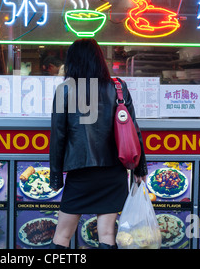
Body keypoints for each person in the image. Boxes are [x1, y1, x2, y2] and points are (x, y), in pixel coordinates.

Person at [49, 38, 147, 249]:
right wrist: (140, 167)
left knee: (63, 235)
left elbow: (58, 137)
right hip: (113, 171)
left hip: (80, 171)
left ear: (72, 61)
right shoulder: (118, 87)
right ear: (99, 59)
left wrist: (56, 176)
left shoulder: (64, 89)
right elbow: (133, 129)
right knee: (106, 233)